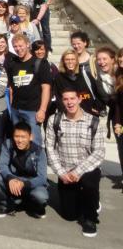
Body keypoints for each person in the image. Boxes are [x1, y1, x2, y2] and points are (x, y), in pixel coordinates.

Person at [46, 87, 105, 237]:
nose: (69, 102)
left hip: (86, 170)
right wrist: (61, 173)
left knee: (89, 184)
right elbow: (50, 149)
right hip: (65, 172)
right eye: (65, 99)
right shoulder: (55, 120)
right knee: (69, 215)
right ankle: (84, 199)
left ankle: (91, 217)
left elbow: (99, 152)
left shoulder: (94, 121)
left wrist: (78, 172)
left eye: (72, 98)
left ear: (79, 99)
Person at [0, 121, 48, 218]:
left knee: (41, 196)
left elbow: (42, 178)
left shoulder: (39, 151)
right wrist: (10, 178)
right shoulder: (8, 144)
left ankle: (33, 205)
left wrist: (25, 184)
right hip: (14, 179)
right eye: (16, 136)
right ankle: (4, 205)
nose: (19, 140)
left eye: (23, 137)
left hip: (31, 182)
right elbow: (2, 165)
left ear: (30, 137)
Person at [7, 34, 52, 145]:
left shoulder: (40, 63)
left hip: (33, 110)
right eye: (15, 46)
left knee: (34, 141)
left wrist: (42, 110)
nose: (18, 49)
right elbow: (11, 88)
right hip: (16, 109)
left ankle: (37, 162)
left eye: (21, 46)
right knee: (18, 141)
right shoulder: (12, 64)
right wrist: (12, 107)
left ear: (28, 45)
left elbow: (46, 88)